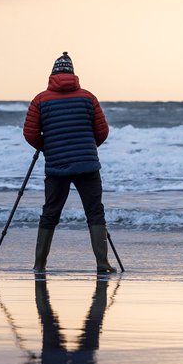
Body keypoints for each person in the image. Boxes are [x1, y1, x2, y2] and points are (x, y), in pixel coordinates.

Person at [22, 51, 113, 272]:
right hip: (87, 164)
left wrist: (49, 148)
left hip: (56, 166)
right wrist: (86, 148)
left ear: (53, 74)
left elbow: (30, 133)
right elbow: (102, 132)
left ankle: (39, 264)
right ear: (73, 74)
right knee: (94, 211)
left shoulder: (40, 100)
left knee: (50, 212)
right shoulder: (88, 97)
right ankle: (102, 263)